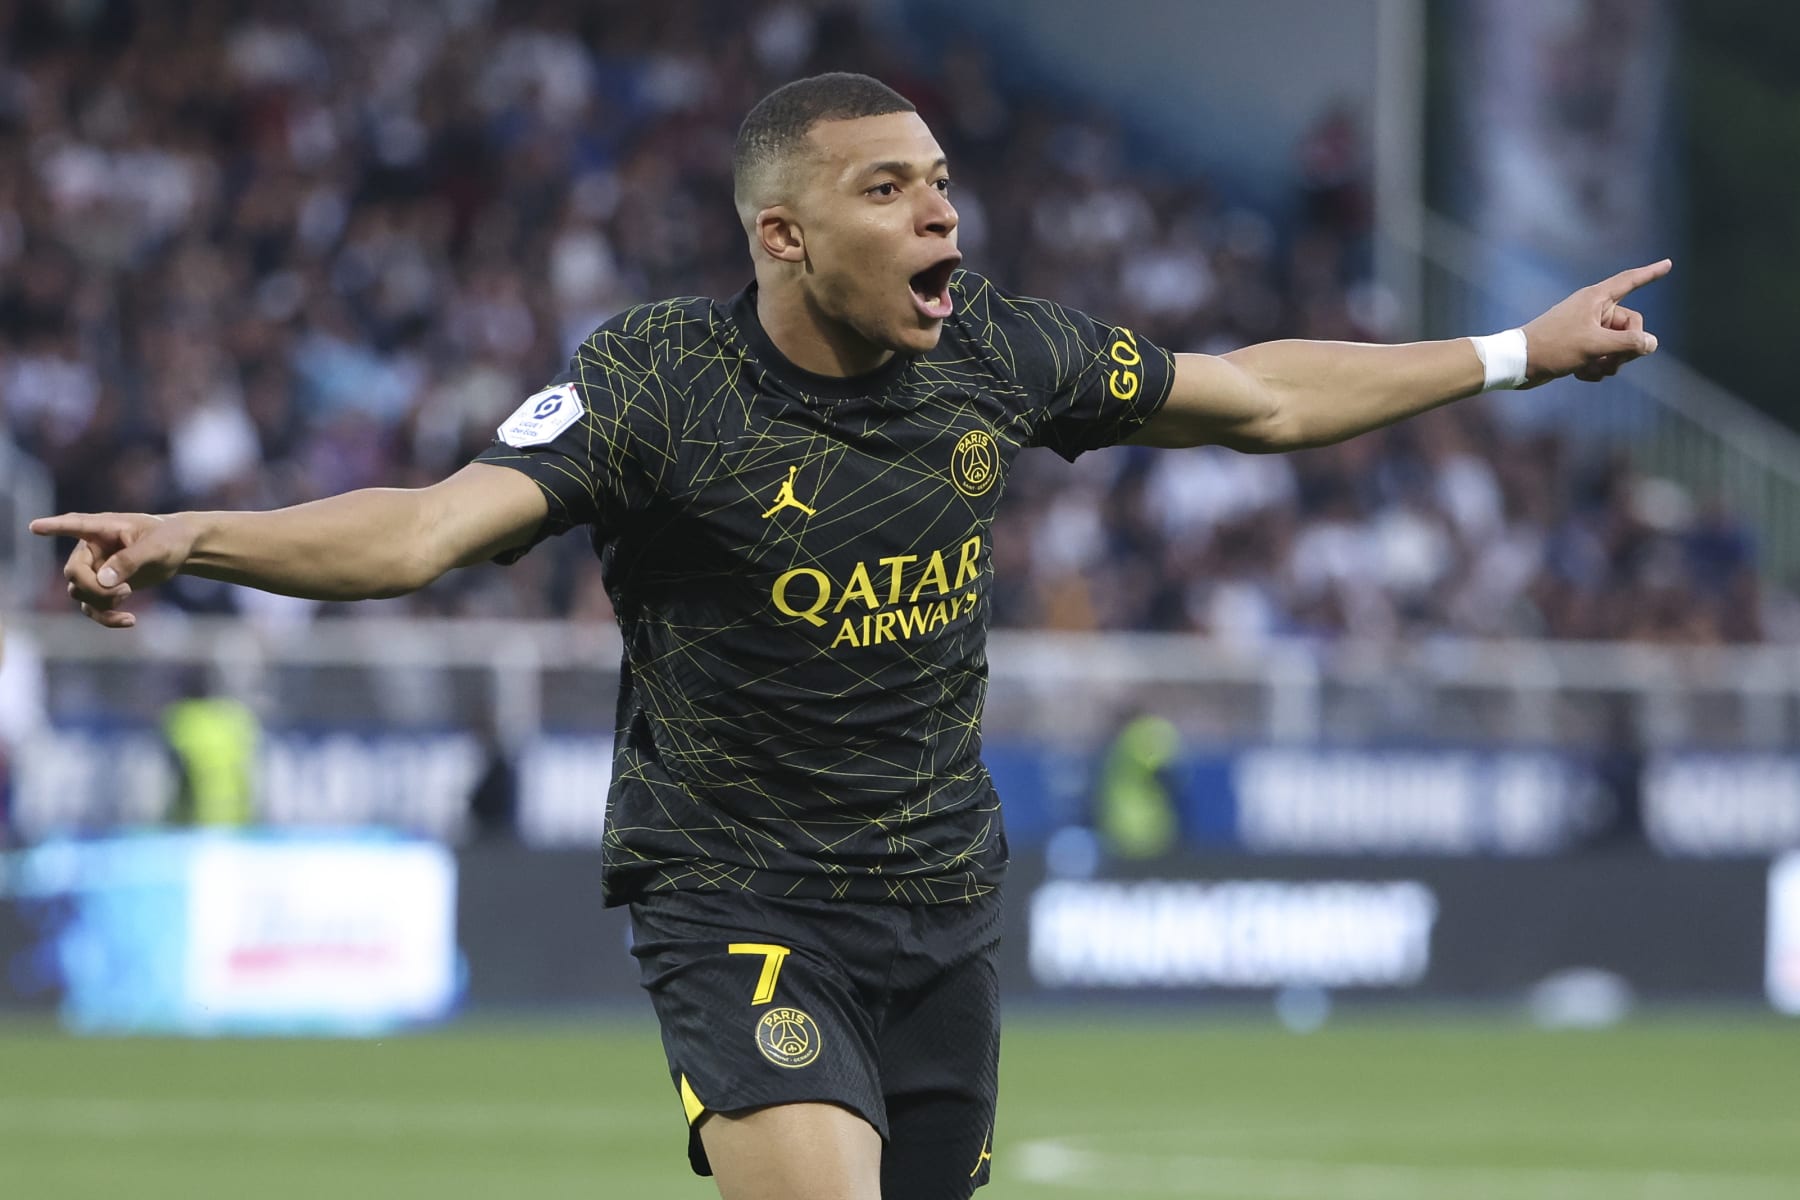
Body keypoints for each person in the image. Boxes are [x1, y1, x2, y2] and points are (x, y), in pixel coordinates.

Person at [33, 73, 1667, 1200]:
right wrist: (196, 536)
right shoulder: (658, 385)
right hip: (738, 894)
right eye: (889, 190)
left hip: (942, 902)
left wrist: (1514, 352)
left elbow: (1260, 397)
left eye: (942, 182)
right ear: (784, 236)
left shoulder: (998, 353)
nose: (941, 214)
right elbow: (416, 532)